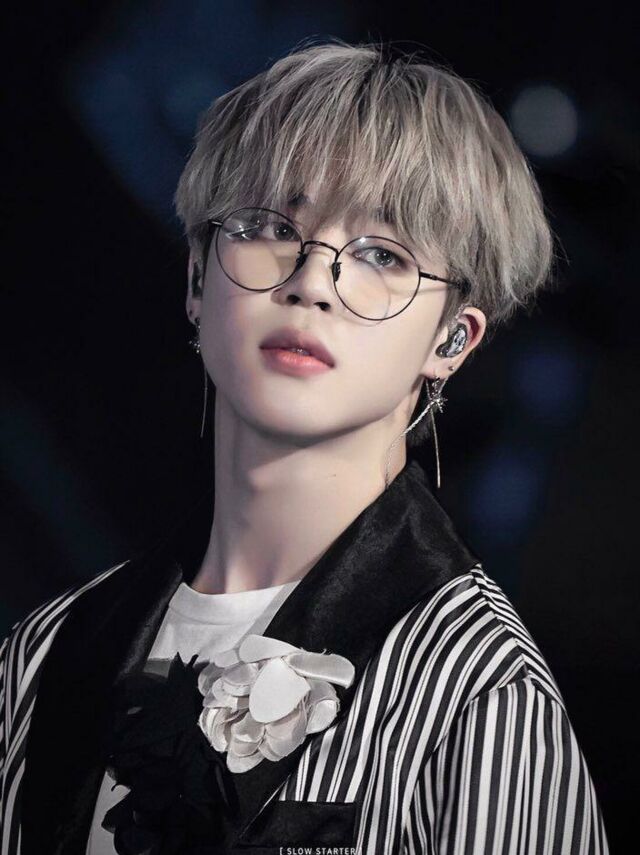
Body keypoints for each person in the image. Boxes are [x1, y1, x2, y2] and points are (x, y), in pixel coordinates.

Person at [0, 39, 609, 855]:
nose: (312, 280)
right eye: (269, 226)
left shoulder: (480, 692)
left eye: (382, 254)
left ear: (453, 340)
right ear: (197, 277)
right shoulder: (45, 654)